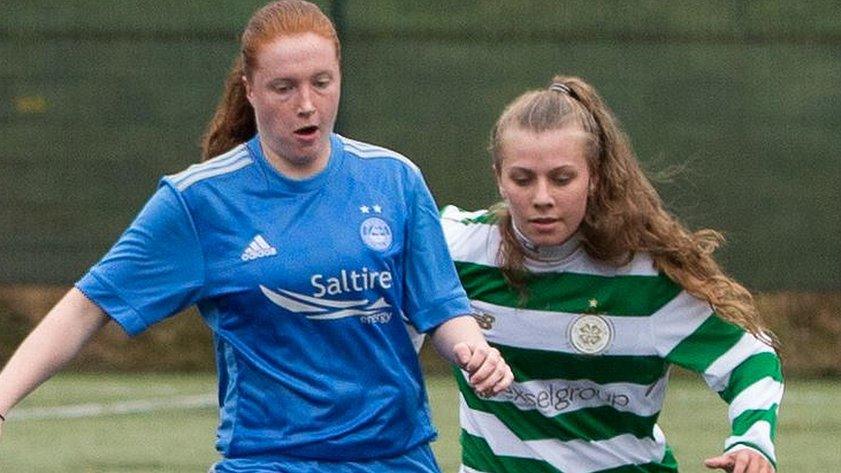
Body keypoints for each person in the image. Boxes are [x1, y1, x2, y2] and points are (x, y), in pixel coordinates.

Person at [0, 1, 512, 471]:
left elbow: (440, 308)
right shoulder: (201, 200)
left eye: (322, 82)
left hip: (395, 457)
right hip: (270, 460)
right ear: (249, 88)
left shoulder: (394, 179)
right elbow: (89, 305)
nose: (307, 104)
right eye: (284, 87)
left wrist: (473, 350)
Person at [441, 76, 783, 473]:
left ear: (595, 177)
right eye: (522, 179)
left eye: (562, 178)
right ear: (498, 176)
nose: (542, 198)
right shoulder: (455, 249)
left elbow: (750, 357)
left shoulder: (643, 278)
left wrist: (752, 441)